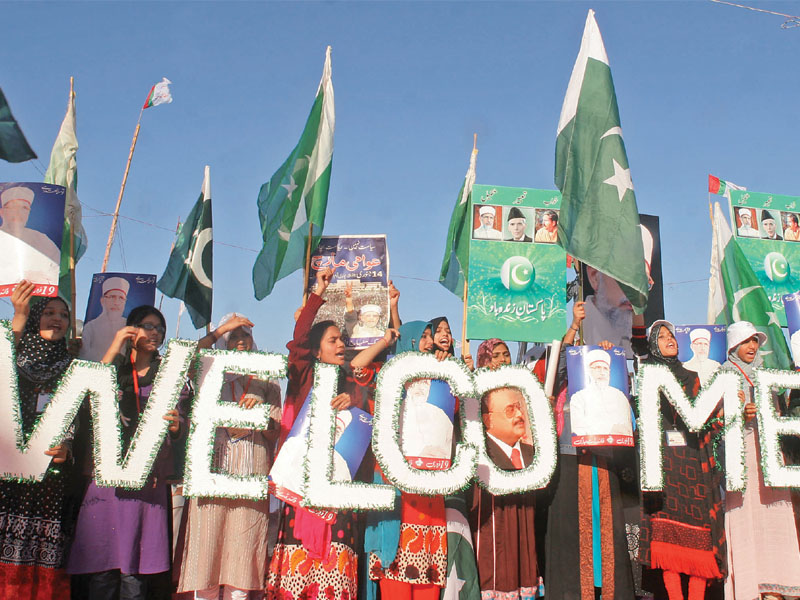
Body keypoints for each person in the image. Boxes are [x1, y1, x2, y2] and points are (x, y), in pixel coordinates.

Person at [66, 305, 186, 600]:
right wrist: (117, 343)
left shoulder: (170, 377)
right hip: (107, 480)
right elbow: (90, 389)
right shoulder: (115, 369)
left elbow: (184, 425)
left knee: (135, 574)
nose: (155, 332)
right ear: (131, 329)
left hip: (146, 484)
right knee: (103, 569)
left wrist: (176, 426)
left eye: (160, 328)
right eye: (148, 326)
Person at [266, 268, 359, 600]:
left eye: (343, 341)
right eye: (333, 340)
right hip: (302, 489)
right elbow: (301, 339)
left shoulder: (350, 385)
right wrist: (317, 293)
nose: (340, 345)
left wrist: (353, 400)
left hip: (337, 494)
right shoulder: (305, 377)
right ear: (317, 351)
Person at [176, 313, 281, 600]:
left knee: (243, 556)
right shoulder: (208, 373)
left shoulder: (267, 377)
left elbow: (274, 432)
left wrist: (260, 414)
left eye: (244, 334)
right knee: (206, 554)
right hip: (212, 471)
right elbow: (184, 361)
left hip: (250, 476)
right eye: (232, 336)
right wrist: (221, 327)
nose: (239, 341)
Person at [545, 304, 637, 599]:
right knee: (571, 535)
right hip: (569, 467)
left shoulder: (616, 395)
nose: (598, 370)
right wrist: (573, 325)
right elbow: (558, 362)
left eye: (603, 367)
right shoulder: (567, 392)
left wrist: (609, 352)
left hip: (602, 464)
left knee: (604, 534)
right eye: (592, 366)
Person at [362, 319, 453, 600]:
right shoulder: (388, 378)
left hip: (429, 494)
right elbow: (359, 368)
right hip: (397, 493)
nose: (429, 342)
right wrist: (385, 342)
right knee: (396, 585)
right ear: (410, 342)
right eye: (423, 337)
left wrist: (448, 369)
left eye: (430, 336)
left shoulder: (440, 380)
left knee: (427, 585)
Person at [636, 321, 725, 600]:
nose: (670, 340)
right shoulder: (648, 376)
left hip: (692, 461)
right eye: (661, 337)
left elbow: (707, 417)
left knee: (698, 535)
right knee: (665, 537)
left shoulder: (692, 376)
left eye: (671, 336)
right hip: (663, 465)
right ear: (653, 345)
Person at [0, 282, 76, 599]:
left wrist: (67, 447)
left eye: (63, 314)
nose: (56, 319)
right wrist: (19, 314)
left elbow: (74, 418)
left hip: (47, 482)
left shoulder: (73, 366)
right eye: (48, 312)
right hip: (7, 475)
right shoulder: (14, 357)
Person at [722, 321, 800, 600]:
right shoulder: (723, 374)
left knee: (774, 510)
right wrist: (740, 414)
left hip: (768, 457)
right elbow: (713, 420)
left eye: (755, 341)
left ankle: (778, 582)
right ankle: (750, 584)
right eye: (747, 342)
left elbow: (778, 414)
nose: (752, 347)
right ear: (734, 346)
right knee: (746, 513)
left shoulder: (766, 375)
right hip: (740, 457)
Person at [470, 386, 538, 599]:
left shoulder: (534, 456)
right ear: (487, 420)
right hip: (493, 563)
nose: (519, 415)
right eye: (510, 410)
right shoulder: (478, 458)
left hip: (526, 564)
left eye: (519, 408)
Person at [0, 185, 61, 287]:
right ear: (2, 212)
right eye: (13, 207)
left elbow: (56, 270)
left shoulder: (41, 239)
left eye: (24, 208)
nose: (18, 213)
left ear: (29, 212)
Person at [570, 348, 632, 438]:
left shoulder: (619, 395)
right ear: (589, 371)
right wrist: (610, 428)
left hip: (618, 447)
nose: (602, 373)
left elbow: (626, 426)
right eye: (598, 368)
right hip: (590, 447)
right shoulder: (579, 397)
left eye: (605, 369)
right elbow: (578, 427)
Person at [80, 276, 130, 361]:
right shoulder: (91, 327)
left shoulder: (128, 326)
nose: (116, 303)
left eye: (121, 298)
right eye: (112, 297)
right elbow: (83, 356)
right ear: (103, 301)